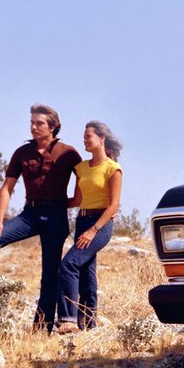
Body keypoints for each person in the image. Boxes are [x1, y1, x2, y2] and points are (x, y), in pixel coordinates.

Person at [0, 104, 82, 331]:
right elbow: (7, 187)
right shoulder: (22, 153)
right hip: (29, 214)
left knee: (49, 274)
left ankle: (42, 327)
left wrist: (74, 201)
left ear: (53, 127)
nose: (33, 127)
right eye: (31, 122)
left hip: (56, 216)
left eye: (39, 123)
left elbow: (87, 178)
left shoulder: (69, 153)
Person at [55, 121, 123, 333]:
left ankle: (68, 319)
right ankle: (88, 322)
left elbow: (113, 206)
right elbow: (76, 200)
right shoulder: (82, 168)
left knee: (68, 265)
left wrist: (94, 230)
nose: (84, 140)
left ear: (101, 139)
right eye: (83, 137)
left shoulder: (113, 169)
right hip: (82, 220)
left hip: (99, 225)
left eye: (88, 136)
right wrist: (51, 202)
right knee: (86, 270)